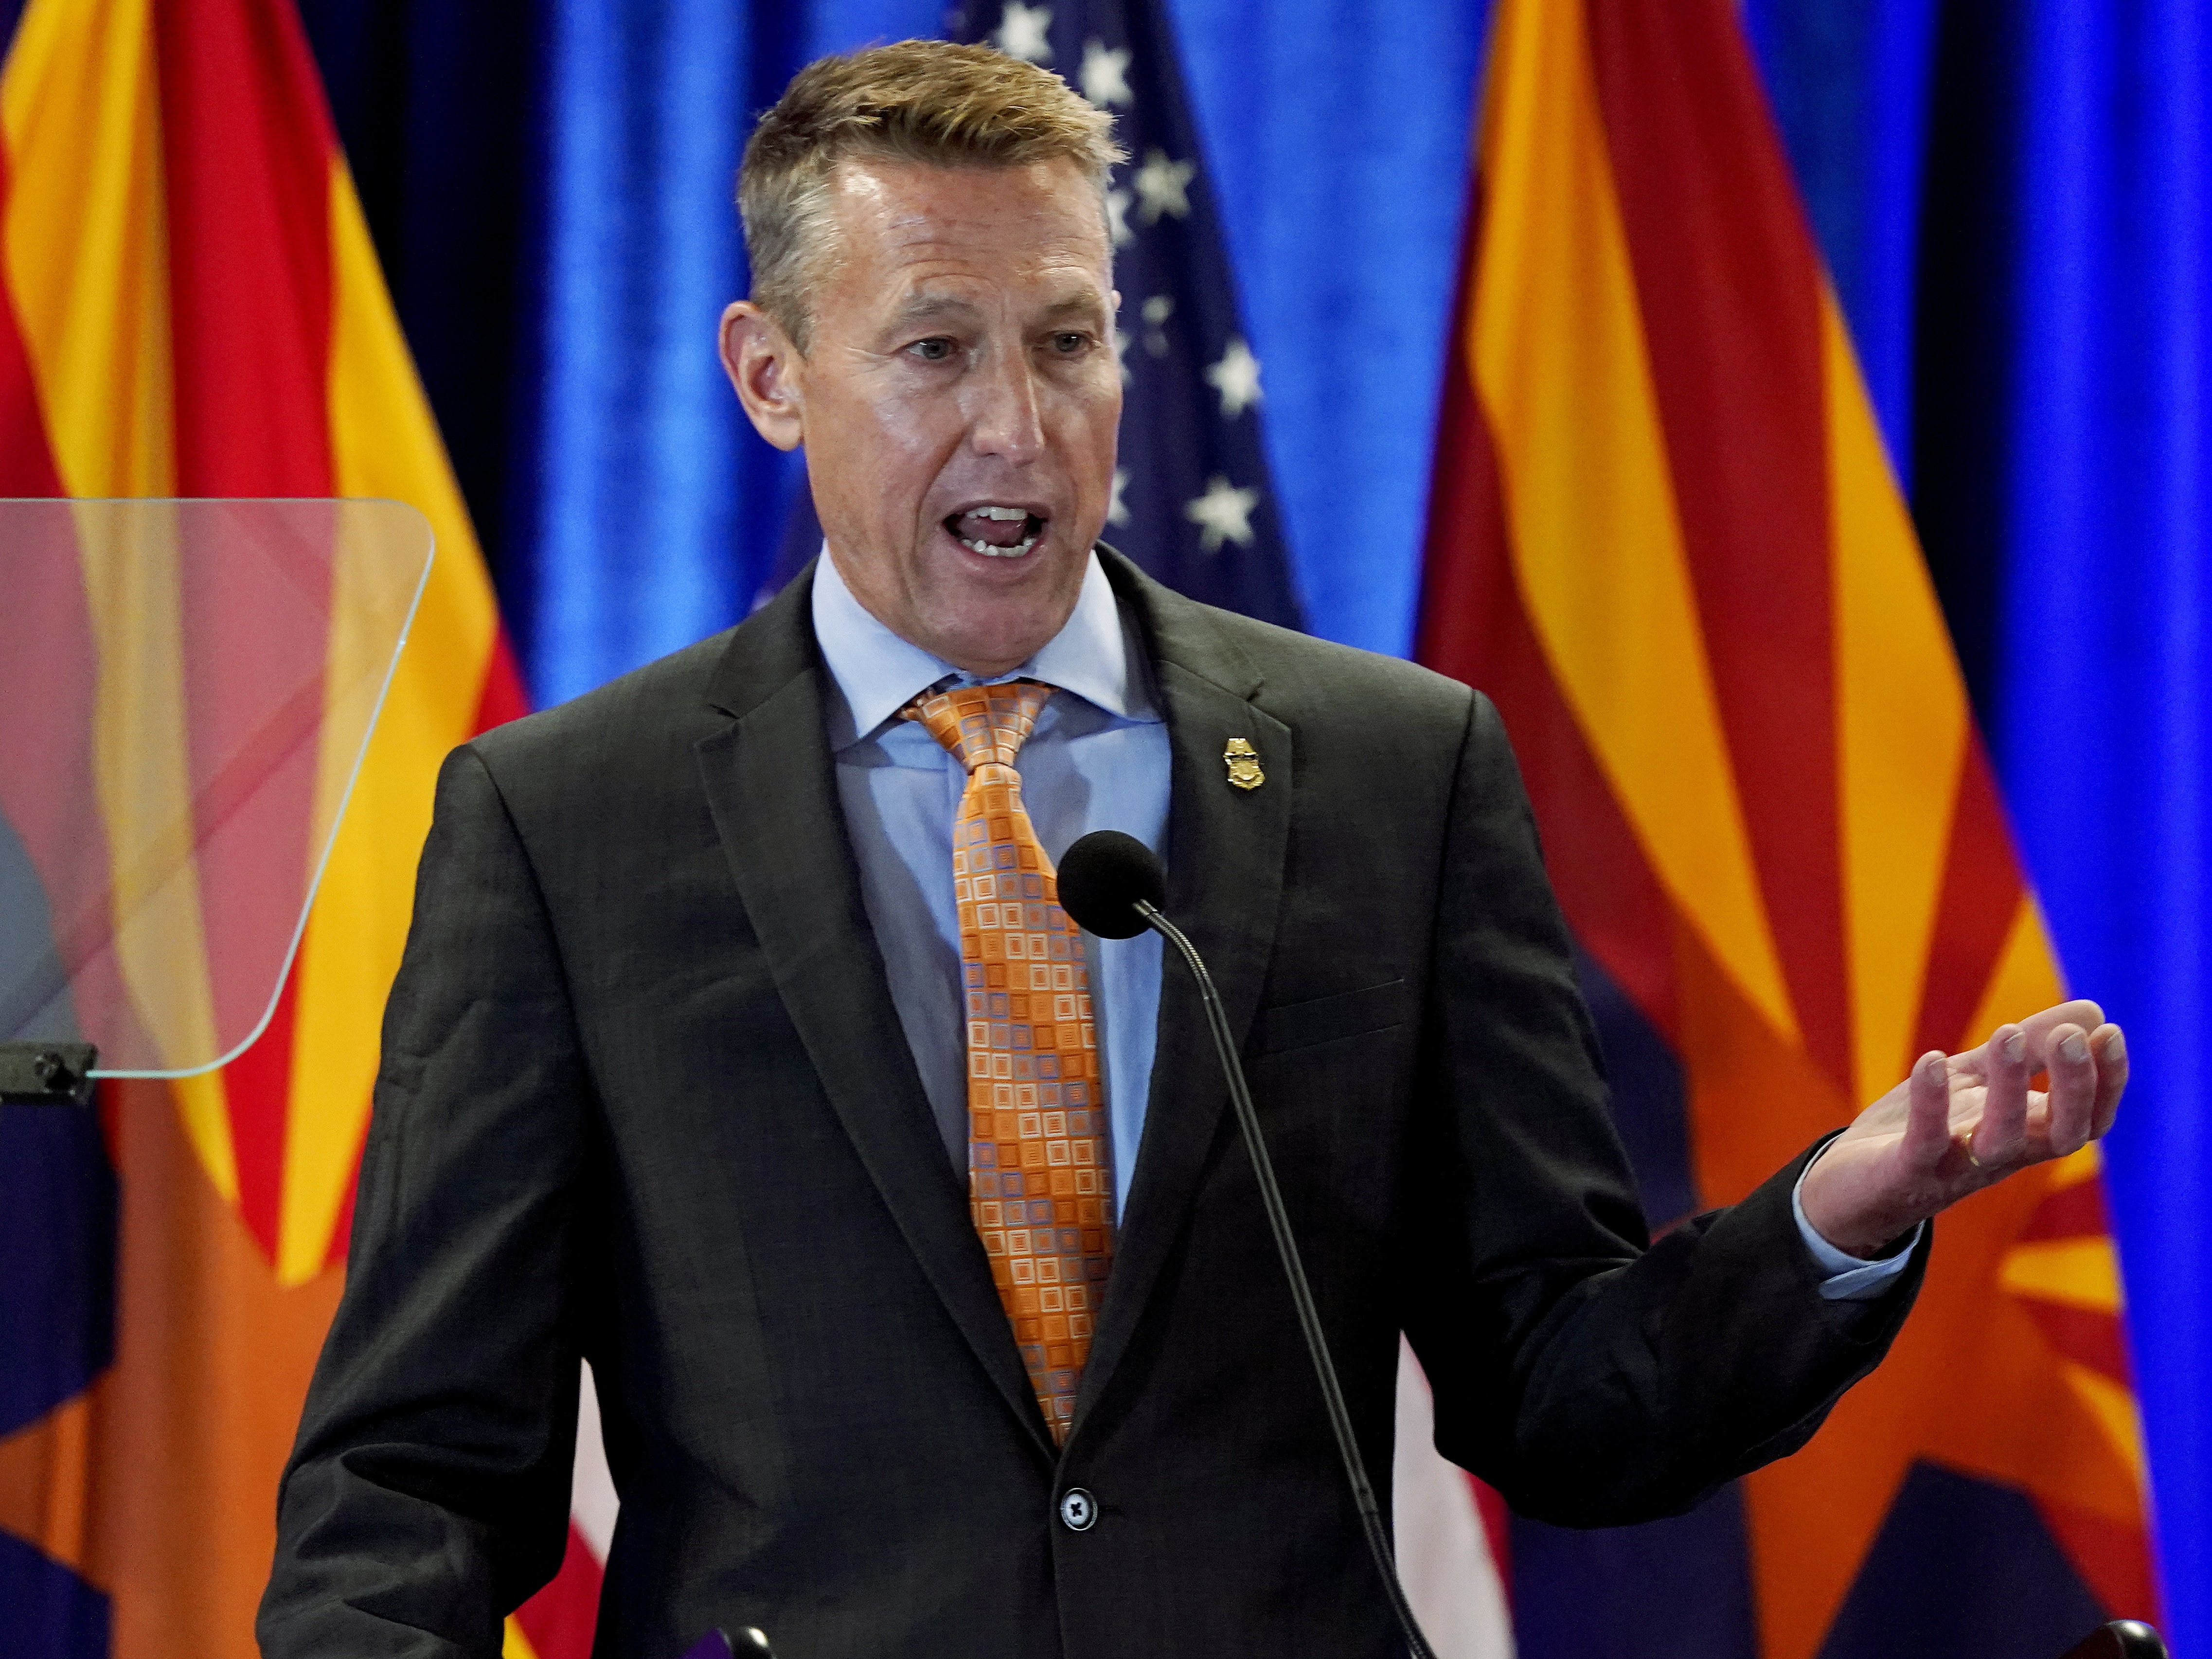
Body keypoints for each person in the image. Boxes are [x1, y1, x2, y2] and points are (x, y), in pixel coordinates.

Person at [258, 40, 2128, 1659]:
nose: (1017, 424)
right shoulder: (567, 823)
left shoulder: (1392, 773)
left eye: (1067, 342)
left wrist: (1833, 1220)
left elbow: (1563, 1389)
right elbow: (415, 1472)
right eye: (934, 349)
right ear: (769, 375)